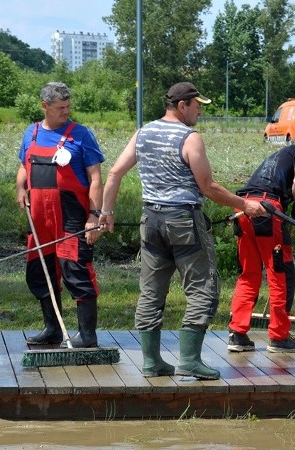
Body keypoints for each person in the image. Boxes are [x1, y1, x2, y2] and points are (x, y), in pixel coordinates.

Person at [99, 82, 265, 380]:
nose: (200, 109)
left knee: (151, 291)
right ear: (181, 105)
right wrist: (245, 205)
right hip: (184, 221)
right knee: (203, 288)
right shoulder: (190, 138)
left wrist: (106, 213)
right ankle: (189, 360)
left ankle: (152, 363)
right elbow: (208, 187)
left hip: (150, 219)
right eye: (196, 104)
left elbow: (114, 173)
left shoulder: (143, 132)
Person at [15, 82, 105, 348]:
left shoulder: (81, 135)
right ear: (45, 106)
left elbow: (96, 178)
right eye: (60, 108)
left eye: (68, 106)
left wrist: (94, 216)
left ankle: (87, 335)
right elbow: (24, 165)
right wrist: (20, 187)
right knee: (40, 271)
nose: (66, 111)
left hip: (71, 216)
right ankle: (52, 329)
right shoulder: (30, 134)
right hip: (40, 218)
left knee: (76, 271)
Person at [227, 129, 295, 354]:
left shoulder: (278, 156)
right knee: (279, 273)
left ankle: (237, 334)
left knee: (249, 273)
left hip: (243, 207)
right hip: (268, 210)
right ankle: (279, 337)